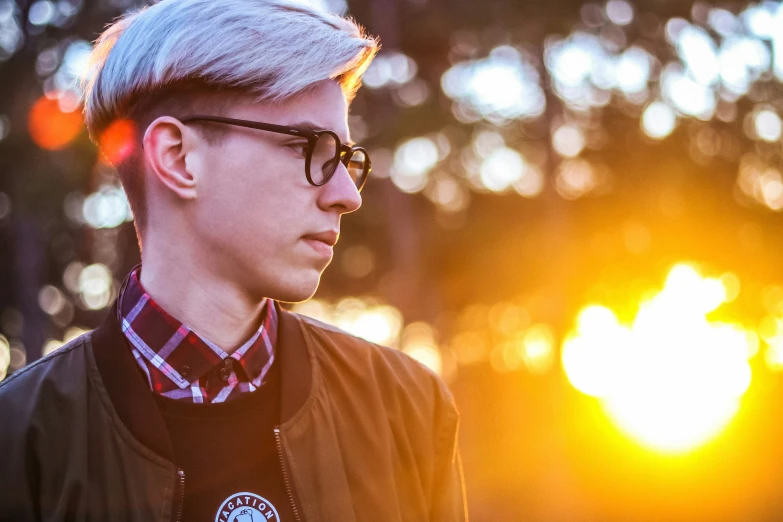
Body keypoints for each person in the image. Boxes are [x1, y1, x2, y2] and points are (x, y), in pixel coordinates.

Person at [0, 0, 468, 520]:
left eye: (344, 158)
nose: (346, 195)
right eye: (309, 147)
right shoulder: (19, 438)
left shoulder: (406, 408)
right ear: (177, 158)